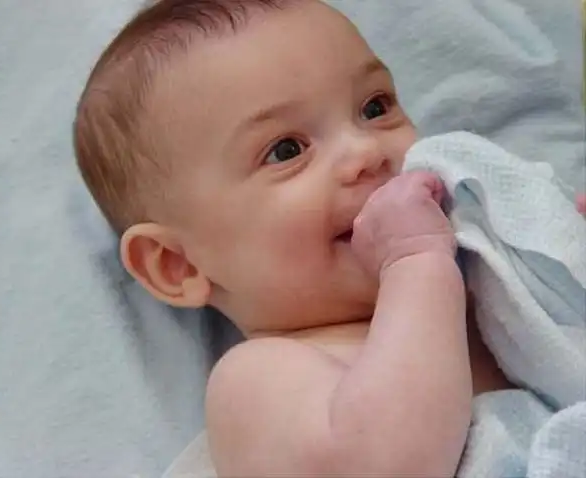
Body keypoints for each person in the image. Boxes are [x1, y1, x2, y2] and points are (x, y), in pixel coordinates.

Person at [73, 0, 522, 476]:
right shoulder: (258, 380)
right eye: (286, 150)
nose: (367, 151)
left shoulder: (481, 281)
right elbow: (383, 465)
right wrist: (416, 263)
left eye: (374, 107)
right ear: (176, 265)